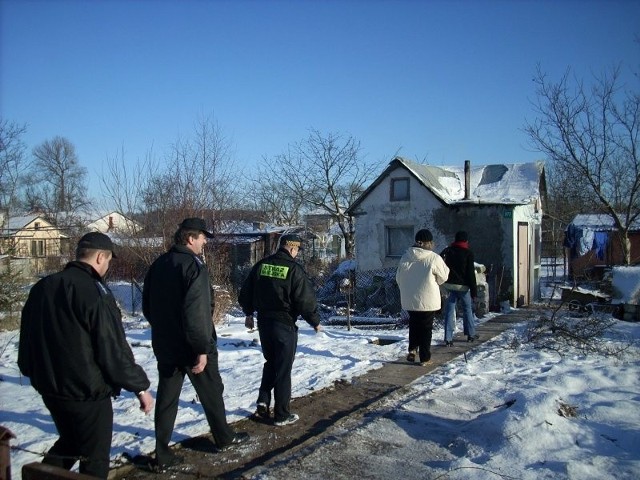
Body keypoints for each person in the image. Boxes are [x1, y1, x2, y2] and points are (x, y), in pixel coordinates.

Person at [18, 232, 154, 478]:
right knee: (93, 457)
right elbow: (111, 347)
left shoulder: (43, 287)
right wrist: (140, 387)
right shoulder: (95, 292)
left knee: (71, 442)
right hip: (87, 392)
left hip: (49, 387)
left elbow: (26, 339)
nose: (108, 266)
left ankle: (40, 475)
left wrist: (32, 371)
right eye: (110, 260)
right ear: (101, 257)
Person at [142, 218, 248, 469]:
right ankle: (224, 437)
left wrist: (165, 329)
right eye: (202, 238)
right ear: (191, 238)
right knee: (211, 390)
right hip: (192, 345)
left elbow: (148, 307)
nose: (204, 243)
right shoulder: (193, 267)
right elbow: (197, 312)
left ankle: (162, 453)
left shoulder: (158, 264)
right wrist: (201, 349)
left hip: (166, 344)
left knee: (167, 399)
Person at [238, 233, 321, 426]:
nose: (297, 254)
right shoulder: (294, 270)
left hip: (264, 323)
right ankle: (282, 414)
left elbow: (246, 292)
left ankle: (263, 401)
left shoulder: (261, 265)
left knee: (271, 362)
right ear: (292, 248)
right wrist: (314, 321)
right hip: (284, 325)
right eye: (297, 250)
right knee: (283, 369)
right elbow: (305, 300)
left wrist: (249, 313)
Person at [395, 229, 450, 366]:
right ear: (429, 243)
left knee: (414, 324)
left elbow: (398, 278)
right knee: (426, 328)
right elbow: (443, 277)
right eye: (431, 242)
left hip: (410, 299)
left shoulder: (405, 256)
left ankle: (412, 349)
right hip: (428, 299)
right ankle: (425, 357)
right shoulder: (434, 258)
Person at [440, 230, 479, 345]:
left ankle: (448, 338)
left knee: (449, 311)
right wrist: (474, 292)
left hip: (449, 286)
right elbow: (471, 274)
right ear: (466, 240)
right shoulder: (468, 253)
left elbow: (439, 260)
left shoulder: (448, 250)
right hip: (463, 287)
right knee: (467, 310)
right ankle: (470, 334)